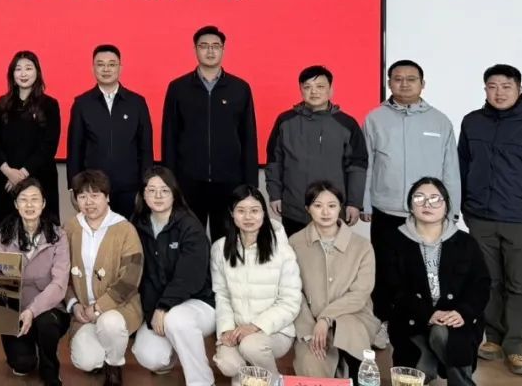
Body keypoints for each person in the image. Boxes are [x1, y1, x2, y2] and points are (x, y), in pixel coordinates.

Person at [459, 64, 522, 377]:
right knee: (488, 281)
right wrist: (464, 208)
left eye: (506, 86)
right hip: (481, 218)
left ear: (519, 89)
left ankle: (516, 347)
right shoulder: (472, 122)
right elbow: (461, 167)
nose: (499, 93)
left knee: (521, 284)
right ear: (485, 90)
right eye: (492, 86)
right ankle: (493, 339)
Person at [361, 58, 459, 349]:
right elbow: (367, 163)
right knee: (384, 270)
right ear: (389, 83)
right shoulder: (375, 118)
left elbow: (450, 169)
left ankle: (423, 322)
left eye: (411, 79)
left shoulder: (439, 121)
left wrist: (452, 210)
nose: (404, 84)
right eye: (398, 79)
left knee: (424, 271)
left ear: (422, 84)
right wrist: (365, 202)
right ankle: (382, 320)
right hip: (386, 209)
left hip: (428, 214)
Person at [387, 177, 490, 386]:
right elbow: (391, 288)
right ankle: (427, 362)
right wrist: (427, 313)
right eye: (419, 198)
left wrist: (462, 312)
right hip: (412, 319)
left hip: (454, 320)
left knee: (445, 336)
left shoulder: (465, 243)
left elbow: (481, 285)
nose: (427, 204)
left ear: (446, 206)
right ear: (410, 204)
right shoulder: (394, 241)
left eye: (435, 199)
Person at [162, 26, 257, 243]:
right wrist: (169, 181)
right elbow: (169, 137)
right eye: (204, 46)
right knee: (188, 240)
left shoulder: (239, 88)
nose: (210, 51)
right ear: (195, 49)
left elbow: (249, 138)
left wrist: (250, 184)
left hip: (229, 181)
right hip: (188, 181)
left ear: (223, 50)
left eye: (216, 46)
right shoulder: (178, 88)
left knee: (226, 242)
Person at [131, 167, 217, 386]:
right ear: (143, 195)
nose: (158, 196)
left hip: (198, 303)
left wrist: (164, 306)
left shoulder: (189, 225)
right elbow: (142, 277)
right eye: (152, 190)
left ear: (174, 193)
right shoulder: (137, 225)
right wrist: (153, 311)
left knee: (176, 319)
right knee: (149, 356)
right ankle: (177, 353)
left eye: (164, 190)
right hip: (160, 306)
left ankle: (202, 384)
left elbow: (190, 277)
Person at [288, 181, 377, 386]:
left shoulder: (362, 246)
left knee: (352, 335)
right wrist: (309, 329)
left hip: (354, 315)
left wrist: (326, 318)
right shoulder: (295, 243)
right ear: (308, 209)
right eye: (318, 206)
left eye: (332, 205)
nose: (325, 212)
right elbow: (293, 292)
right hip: (310, 321)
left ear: (340, 208)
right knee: (313, 369)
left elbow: (360, 293)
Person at [210, 186, 301, 386]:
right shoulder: (220, 248)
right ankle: (250, 371)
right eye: (241, 211)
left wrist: (256, 326)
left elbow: (290, 301)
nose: (248, 217)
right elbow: (221, 295)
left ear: (264, 213)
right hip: (237, 329)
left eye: (254, 210)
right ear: (232, 214)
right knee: (227, 364)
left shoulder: (283, 250)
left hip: (275, 330)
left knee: (251, 346)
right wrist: (226, 329)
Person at [63, 170, 144, 386]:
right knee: (86, 361)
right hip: (83, 312)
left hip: (118, 308)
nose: (88, 202)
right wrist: (74, 305)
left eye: (95, 195)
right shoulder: (70, 228)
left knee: (110, 324)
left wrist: (98, 307)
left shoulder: (125, 229)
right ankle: (103, 354)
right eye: (82, 196)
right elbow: (61, 275)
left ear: (107, 197)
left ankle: (114, 365)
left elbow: (130, 278)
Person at [265, 66, 367, 236]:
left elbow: (357, 167)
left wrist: (354, 203)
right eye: (307, 87)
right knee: (295, 252)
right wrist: (275, 195)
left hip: (333, 211)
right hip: (294, 209)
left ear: (330, 89)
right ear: (300, 89)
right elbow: (275, 161)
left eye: (320, 86)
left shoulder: (347, 124)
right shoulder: (285, 121)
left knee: (333, 253)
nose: (314, 92)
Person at [0, 178, 71, 386]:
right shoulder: (4, 234)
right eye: (23, 200)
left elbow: (59, 284)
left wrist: (32, 310)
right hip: (16, 309)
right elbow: (1, 279)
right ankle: (28, 350)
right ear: (16, 204)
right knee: (22, 365)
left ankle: (51, 370)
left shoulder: (58, 236)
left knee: (46, 323)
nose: (29, 205)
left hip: (50, 308)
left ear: (44, 203)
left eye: (35, 199)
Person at [67, 44, 153, 219]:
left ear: (120, 68)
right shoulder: (82, 104)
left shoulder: (137, 103)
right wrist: (73, 187)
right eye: (100, 64)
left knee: (129, 232)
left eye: (112, 64)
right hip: (93, 190)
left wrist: (146, 187)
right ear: (93, 68)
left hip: (130, 189)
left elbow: (145, 149)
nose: (106, 69)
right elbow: (75, 149)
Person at [0, 51, 61, 235]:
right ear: (12, 74)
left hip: (39, 177)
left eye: (28, 68)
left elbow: (49, 146)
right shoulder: (3, 103)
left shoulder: (50, 104)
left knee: (40, 235)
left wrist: (22, 174)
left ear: (37, 72)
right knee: (5, 236)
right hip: (5, 180)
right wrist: (8, 172)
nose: (23, 74)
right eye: (18, 69)